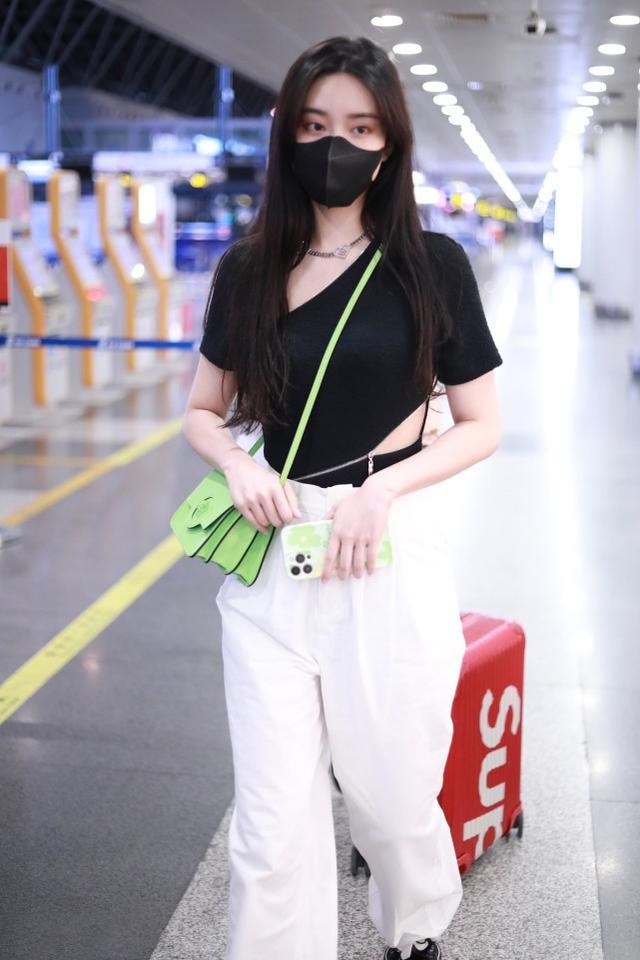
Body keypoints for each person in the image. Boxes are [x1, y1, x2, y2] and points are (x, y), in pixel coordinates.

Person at [183, 35, 503, 960]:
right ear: (287, 135)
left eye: (361, 128)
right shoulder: (248, 270)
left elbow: (480, 423)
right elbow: (201, 412)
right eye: (317, 125)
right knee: (271, 820)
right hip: (272, 560)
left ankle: (413, 928)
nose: (338, 145)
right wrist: (238, 465)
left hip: (384, 554)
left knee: (394, 800)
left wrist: (383, 488)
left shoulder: (431, 266)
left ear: (389, 142)